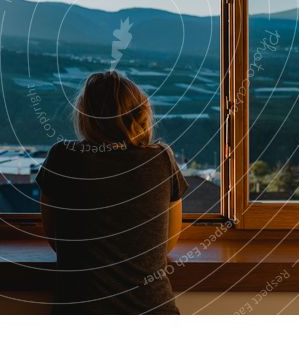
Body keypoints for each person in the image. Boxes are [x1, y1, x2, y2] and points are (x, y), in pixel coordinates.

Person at [36, 70, 189, 314]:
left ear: (86, 116)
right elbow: (168, 242)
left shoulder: (62, 158)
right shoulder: (161, 159)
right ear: (140, 114)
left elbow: (56, 239)